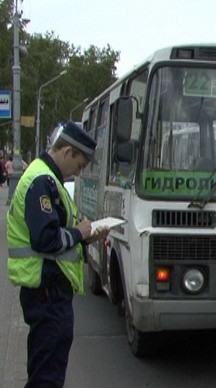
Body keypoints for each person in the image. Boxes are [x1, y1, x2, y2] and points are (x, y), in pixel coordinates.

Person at [6, 121, 109, 387]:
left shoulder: (48, 179)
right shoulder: (41, 181)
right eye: (80, 164)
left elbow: (55, 233)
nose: (79, 171)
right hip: (46, 291)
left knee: (47, 368)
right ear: (66, 152)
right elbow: (46, 239)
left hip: (49, 291)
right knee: (47, 376)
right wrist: (80, 234)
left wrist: (84, 236)